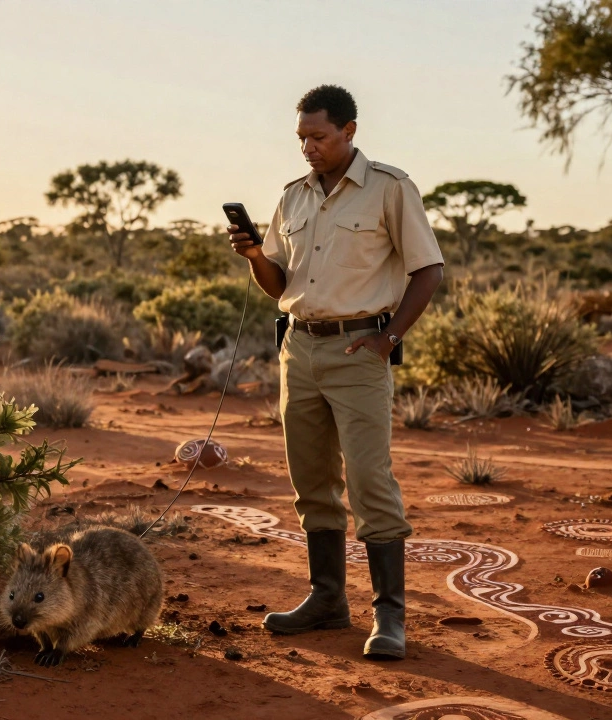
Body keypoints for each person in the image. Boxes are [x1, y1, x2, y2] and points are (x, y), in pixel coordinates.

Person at [229, 84, 444, 660]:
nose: (308, 148)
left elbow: (428, 271)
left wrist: (388, 339)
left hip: (359, 354)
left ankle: (390, 618)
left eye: (318, 137)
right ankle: (327, 600)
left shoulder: (390, 189)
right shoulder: (292, 198)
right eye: (302, 138)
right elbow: (280, 284)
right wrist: (255, 257)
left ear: (350, 131)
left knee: (371, 483)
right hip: (298, 351)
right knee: (311, 483)